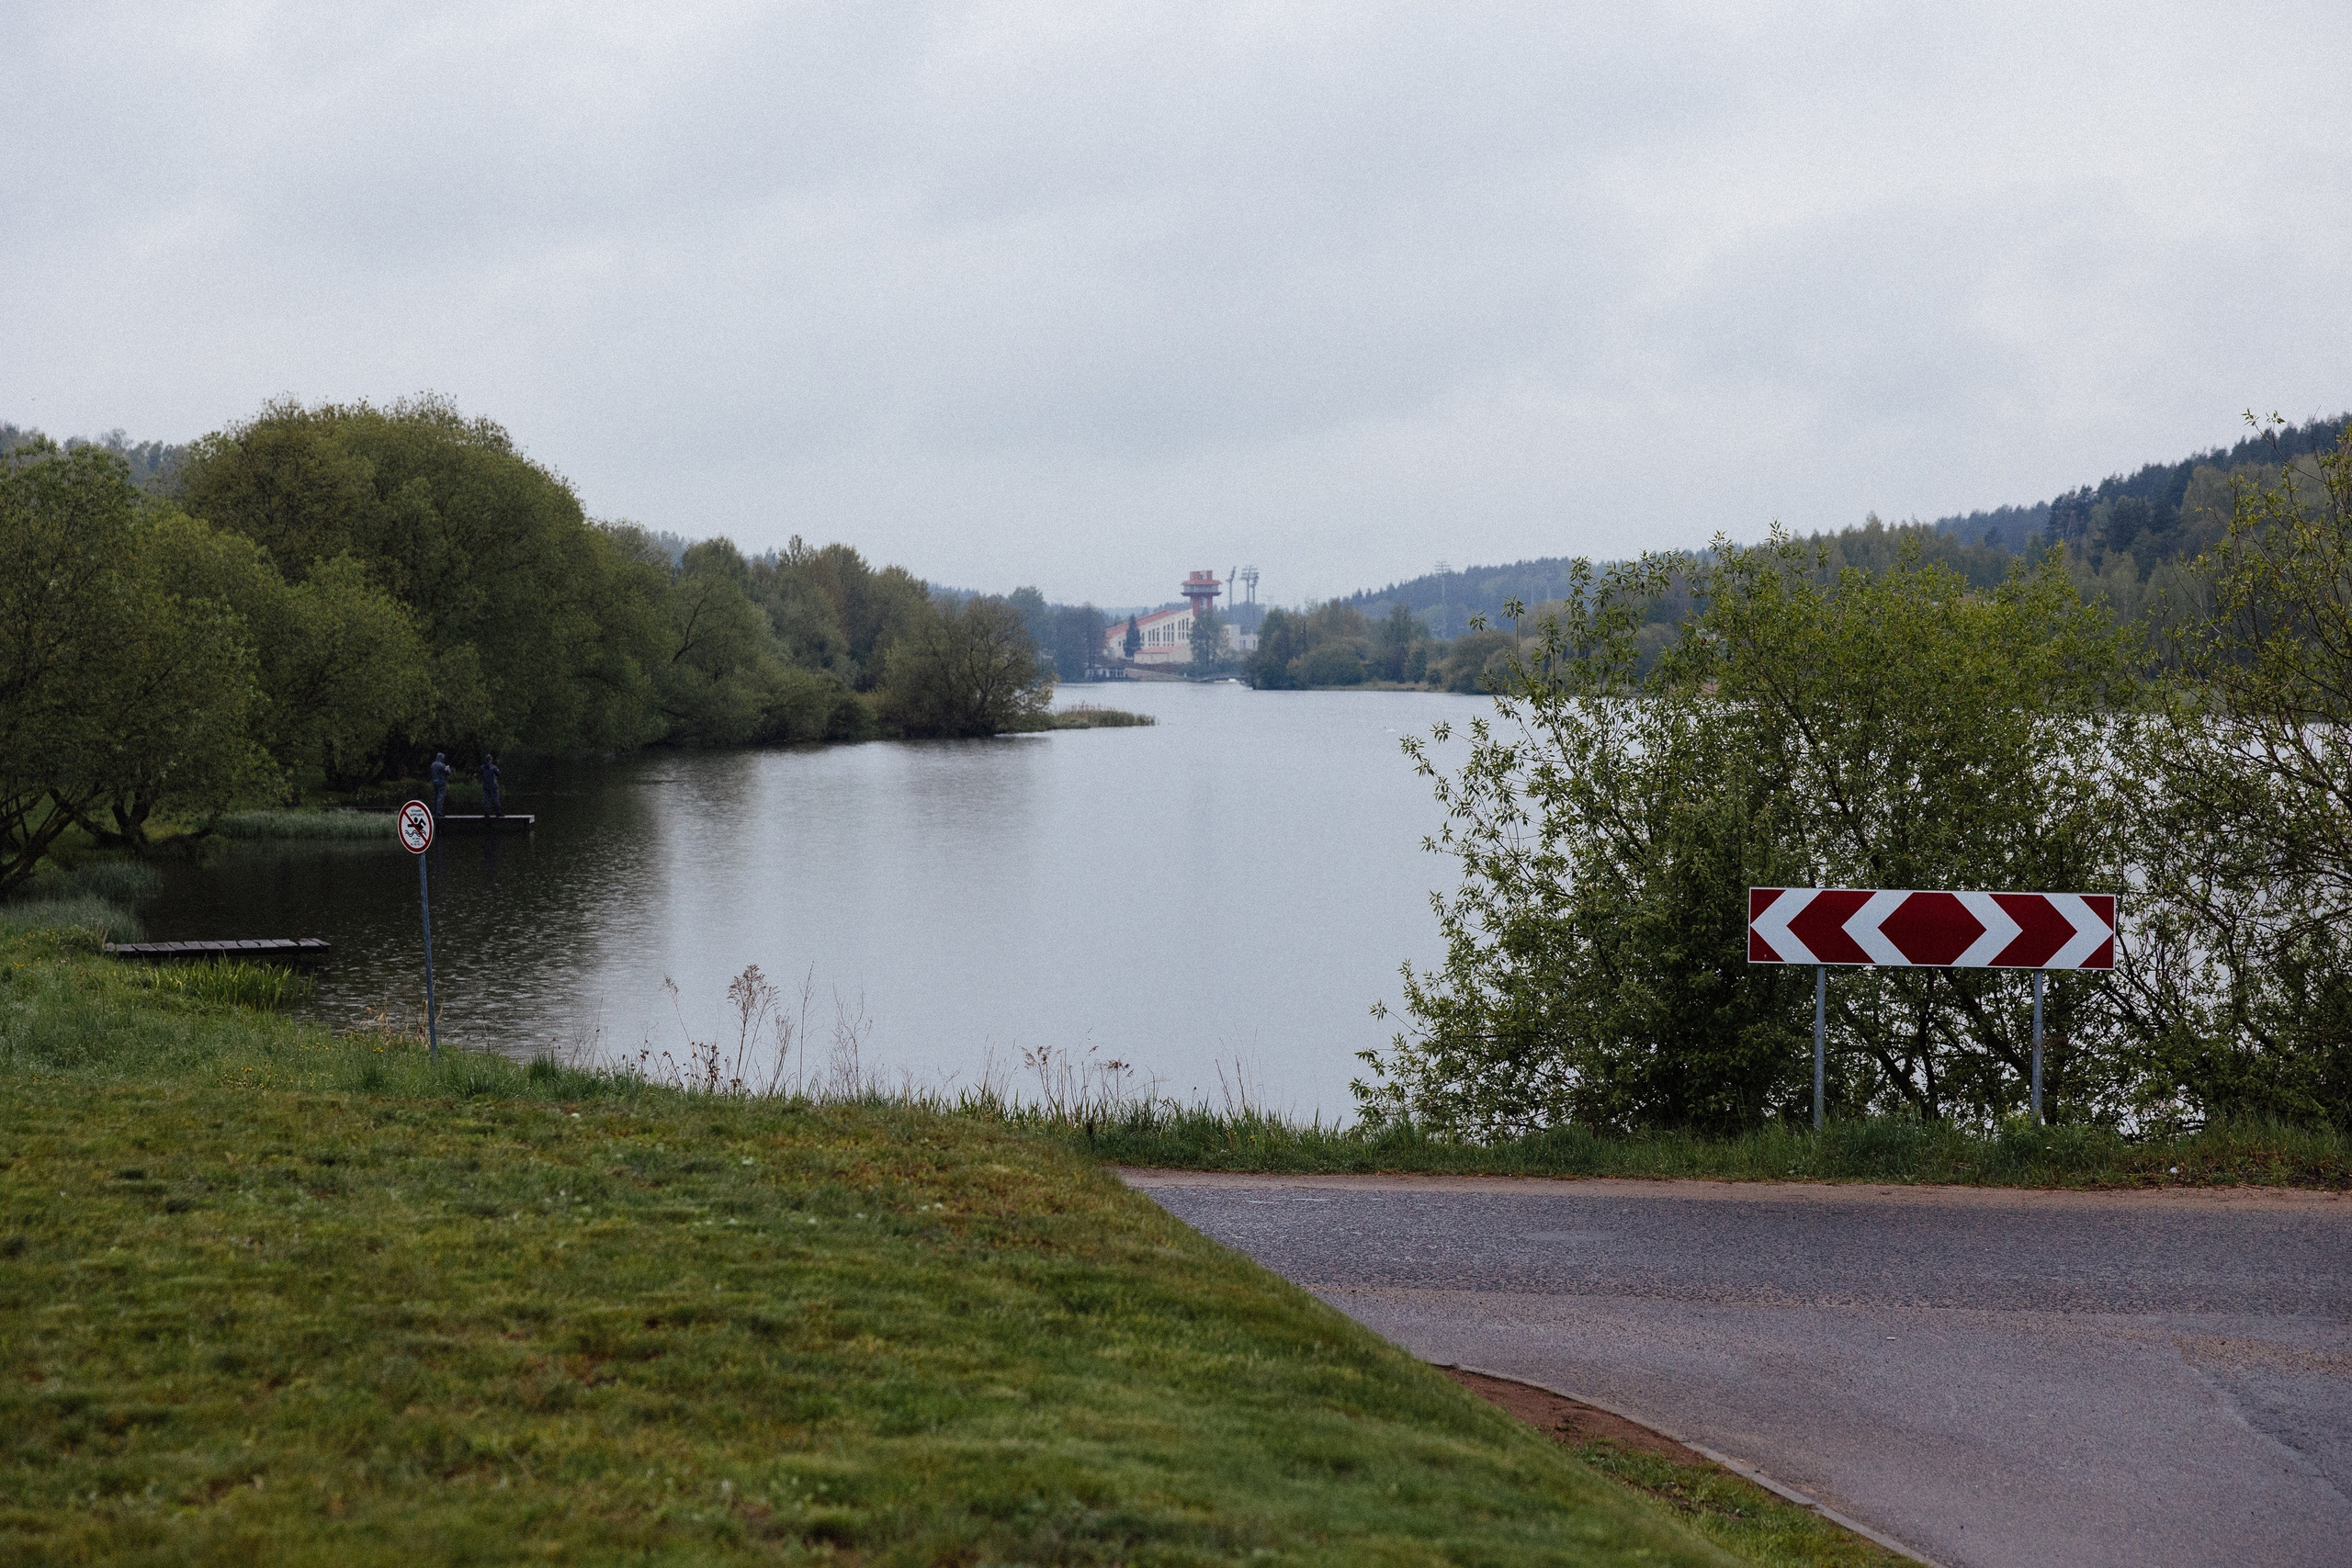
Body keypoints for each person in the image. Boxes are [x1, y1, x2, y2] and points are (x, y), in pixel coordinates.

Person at [480, 752, 503, 818]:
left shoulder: (482, 767)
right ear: (491, 760)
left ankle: (486, 813)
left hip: (485, 786)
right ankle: (498, 813)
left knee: (486, 800)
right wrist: (496, 768)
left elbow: (480, 774)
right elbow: (498, 774)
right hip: (493, 787)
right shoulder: (493, 767)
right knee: (495, 799)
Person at [430, 751, 449, 818]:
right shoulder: (442, 765)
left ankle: (434, 810)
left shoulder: (433, 765)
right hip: (441, 782)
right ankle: (439, 811)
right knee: (440, 796)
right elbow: (448, 772)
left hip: (434, 782)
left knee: (435, 796)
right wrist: (448, 768)